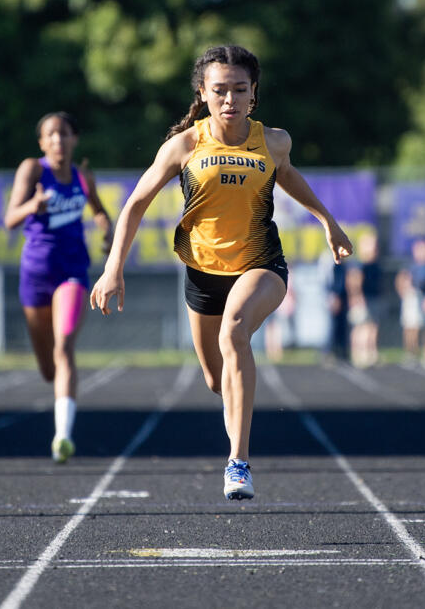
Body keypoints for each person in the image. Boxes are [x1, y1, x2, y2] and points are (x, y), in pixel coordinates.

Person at [90, 44, 353, 500]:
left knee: (234, 333)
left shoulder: (273, 140)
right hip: (203, 272)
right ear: (203, 93)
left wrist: (326, 219)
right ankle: (238, 410)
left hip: (260, 264)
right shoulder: (185, 145)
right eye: (220, 91)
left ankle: (238, 462)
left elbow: (286, 173)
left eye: (239, 90)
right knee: (216, 379)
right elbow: (134, 204)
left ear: (254, 95)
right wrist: (113, 268)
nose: (230, 100)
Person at [3, 111, 114, 464]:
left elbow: (99, 211)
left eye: (64, 134)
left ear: (74, 139)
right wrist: (32, 205)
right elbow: (9, 219)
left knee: (64, 345)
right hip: (35, 275)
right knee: (49, 368)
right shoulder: (32, 170)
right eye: (50, 135)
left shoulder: (82, 177)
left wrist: (107, 231)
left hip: (72, 272)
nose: (57, 141)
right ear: (41, 143)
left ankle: (62, 436)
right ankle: (57, 399)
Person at [396, 237, 425, 367]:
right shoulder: (409, 264)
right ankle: (411, 353)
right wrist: (405, 292)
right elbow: (401, 279)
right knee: (412, 327)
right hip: (414, 297)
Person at [346, 233, 381, 367]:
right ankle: (359, 354)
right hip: (363, 300)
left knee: (372, 327)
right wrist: (357, 297)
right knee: (361, 327)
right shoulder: (360, 264)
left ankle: (370, 354)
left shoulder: (374, 264)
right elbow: (354, 282)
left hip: (373, 298)